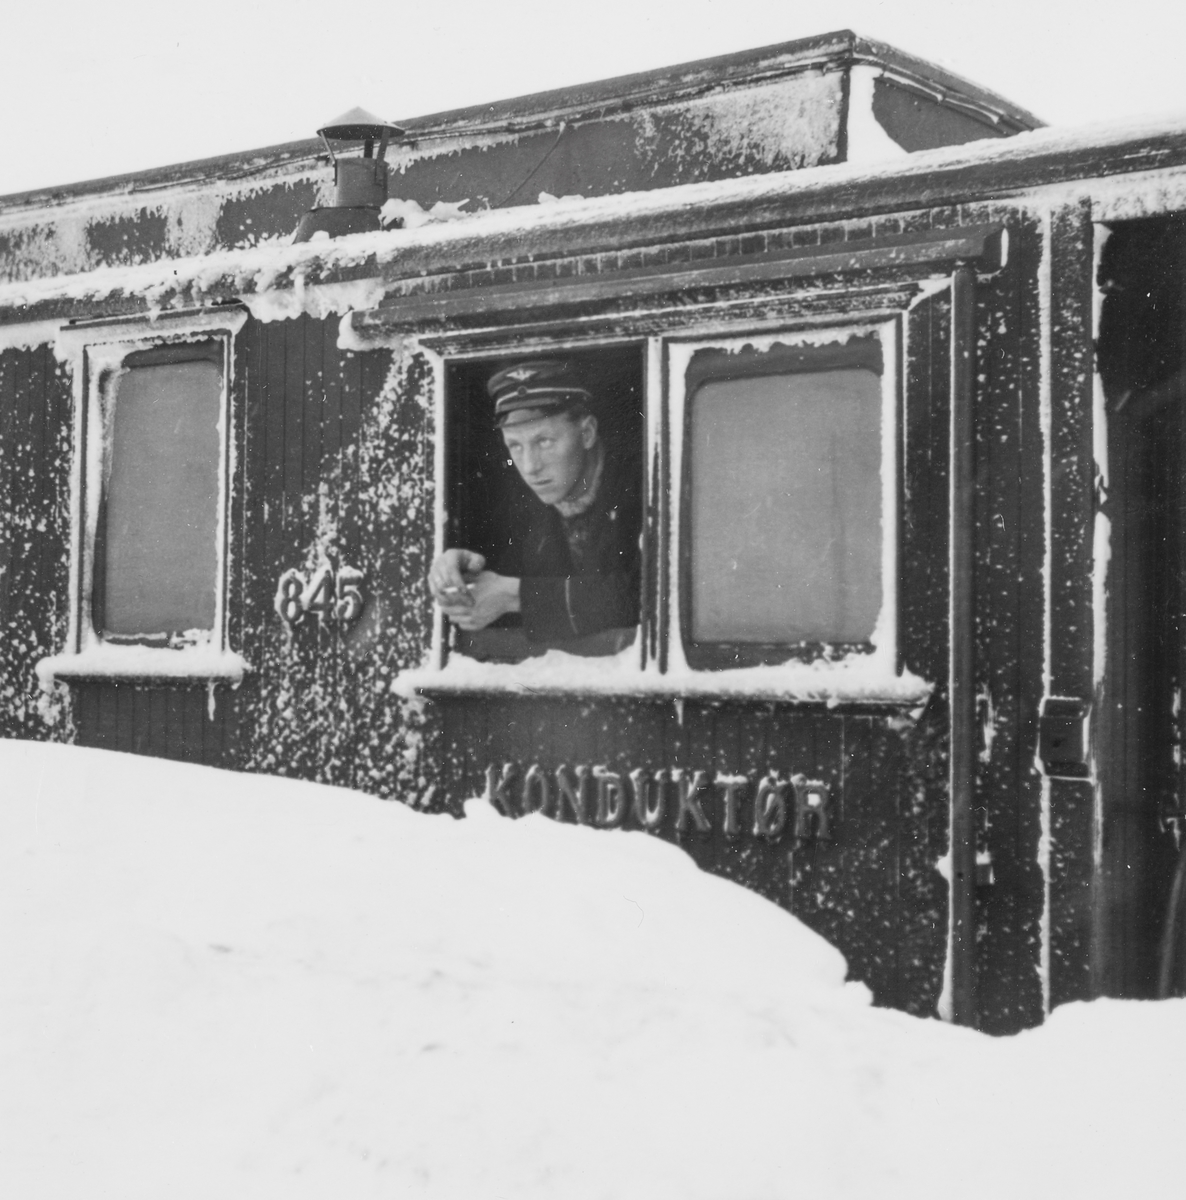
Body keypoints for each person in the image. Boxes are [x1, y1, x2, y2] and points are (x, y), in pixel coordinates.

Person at [429, 359, 640, 654]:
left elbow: (650, 596)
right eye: (515, 446)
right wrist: (462, 573)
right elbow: (504, 576)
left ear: (588, 433)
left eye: (544, 441)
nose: (530, 467)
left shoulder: (644, 486)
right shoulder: (529, 504)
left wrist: (516, 597)